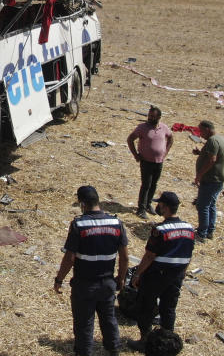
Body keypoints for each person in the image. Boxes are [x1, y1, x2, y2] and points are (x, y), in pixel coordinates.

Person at [54, 186, 129, 356]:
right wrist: (121, 279)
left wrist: (59, 279)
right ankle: (114, 350)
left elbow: (69, 258)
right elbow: (124, 257)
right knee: (109, 319)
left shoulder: (79, 225)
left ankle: (84, 352)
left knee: (84, 324)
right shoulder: (116, 223)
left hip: (84, 285)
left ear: (82, 204)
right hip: (107, 283)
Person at [127, 192, 195, 353]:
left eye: (160, 204)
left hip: (157, 275)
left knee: (146, 306)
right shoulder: (189, 228)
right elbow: (188, 255)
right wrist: (183, 274)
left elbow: (150, 255)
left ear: (164, 207)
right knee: (168, 308)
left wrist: (138, 274)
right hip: (176, 274)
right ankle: (167, 343)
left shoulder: (160, 229)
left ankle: (145, 340)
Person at [126, 106, 174, 219]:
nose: (150, 118)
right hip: (146, 161)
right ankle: (141, 209)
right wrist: (135, 155)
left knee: (154, 184)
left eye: (153, 116)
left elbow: (171, 138)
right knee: (146, 185)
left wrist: (165, 153)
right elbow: (130, 139)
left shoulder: (164, 127)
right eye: (149, 115)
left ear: (159, 117)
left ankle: (148, 204)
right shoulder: (142, 128)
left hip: (159, 162)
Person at [192, 120, 224, 241]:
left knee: (203, 206)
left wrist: (199, 175)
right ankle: (210, 231)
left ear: (207, 129)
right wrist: (200, 153)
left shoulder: (212, 141)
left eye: (201, 131)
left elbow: (212, 160)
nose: (200, 134)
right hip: (217, 180)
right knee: (211, 205)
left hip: (211, 179)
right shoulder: (220, 138)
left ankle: (202, 233)